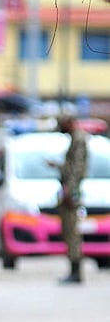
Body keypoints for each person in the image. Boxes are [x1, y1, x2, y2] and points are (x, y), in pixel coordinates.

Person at [56, 114, 89, 283]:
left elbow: (77, 167)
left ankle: (76, 270)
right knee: (68, 230)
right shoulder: (75, 138)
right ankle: (73, 268)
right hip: (70, 188)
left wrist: (69, 190)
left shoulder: (79, 139)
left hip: (72, 191)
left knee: (72, 230)